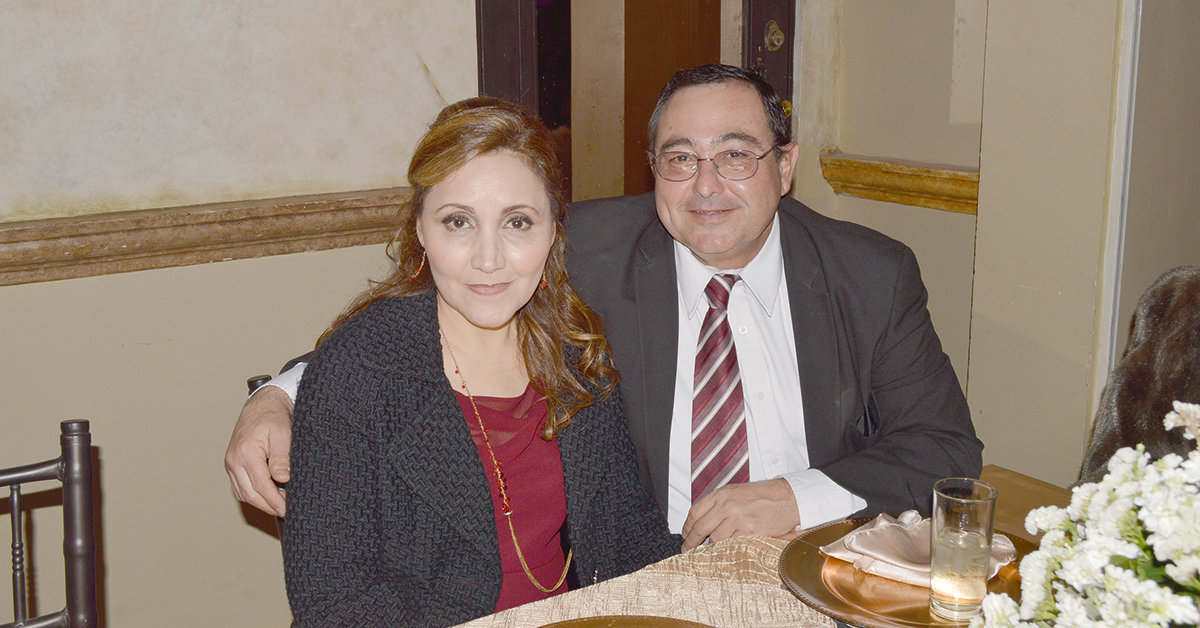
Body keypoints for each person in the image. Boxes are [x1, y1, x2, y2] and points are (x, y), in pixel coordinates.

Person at [227, 64, 982, 554]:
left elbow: (945, 447)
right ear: (652, 169)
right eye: (681, 158)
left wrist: (792, 497)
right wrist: (280, 395)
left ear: (783, 167)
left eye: (736, 154)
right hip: (637, 572)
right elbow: (426, 309)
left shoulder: (870, 272)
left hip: (817, 566)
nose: (706, 185)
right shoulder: (585, 247)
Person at [276, 97, 677, 628]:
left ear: (553, 231)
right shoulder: (358, 376)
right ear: (420, 230)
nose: (488, 259)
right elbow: (333, 607)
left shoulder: (576, 355)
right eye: (458, 222)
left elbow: (625, 533)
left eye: (517, 222)